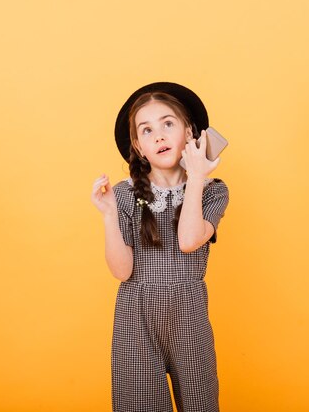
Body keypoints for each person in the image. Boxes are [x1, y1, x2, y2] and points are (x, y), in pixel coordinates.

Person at [91, 81, 230, 412]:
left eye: (168, 123)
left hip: (189, 312)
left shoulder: (213, 191)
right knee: (138, 403)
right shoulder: (125, 195)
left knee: (200, 402)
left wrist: (196, 175)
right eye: (147, 130)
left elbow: (188, 241)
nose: (159, 136)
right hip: (135, 314)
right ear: (139, 147)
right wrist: (110, 214)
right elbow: (122, 271)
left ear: (190, 133)